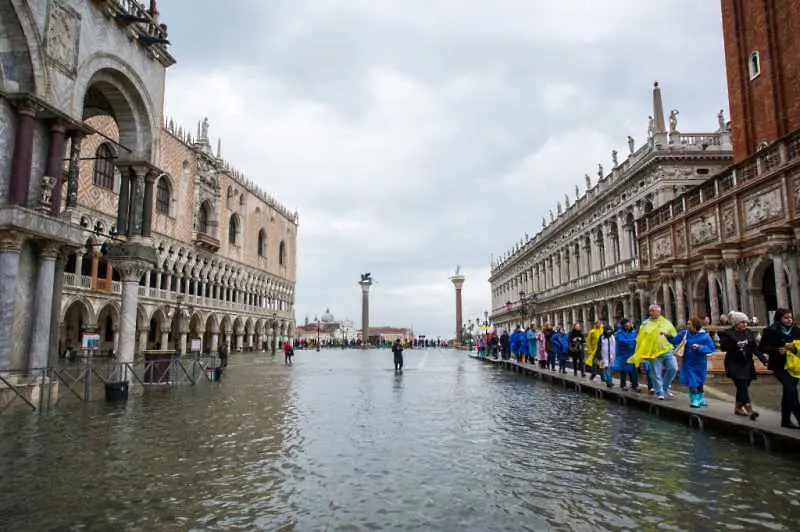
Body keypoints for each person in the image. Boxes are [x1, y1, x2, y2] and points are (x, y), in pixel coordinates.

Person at [719, 311, 767, 419]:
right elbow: (723, 346)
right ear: (736, 323)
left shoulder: (748, 333)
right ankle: (749, 408)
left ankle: (738, 407)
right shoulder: (727, 333)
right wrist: (735, 345)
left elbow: (754, 348)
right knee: (742, 384)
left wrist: (764, 359)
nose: (745, 324)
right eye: (742, 322)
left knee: (744, 385)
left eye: (746, 322)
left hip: (746, 363)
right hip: (734, 363)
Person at [758, 308, 800, 429]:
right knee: (791, 391)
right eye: (786, 317)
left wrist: (794, 349)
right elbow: (762, 347)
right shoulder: (770, 331)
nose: (789, 320)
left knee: (789, 392)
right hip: (779, 365)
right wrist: (776, 350)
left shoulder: (797, 330)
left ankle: (785, 420)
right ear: (779, 318)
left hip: (795, 366)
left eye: (790, 317)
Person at [628, 304, 678, 400]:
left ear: (659, 312)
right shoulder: (645, 324)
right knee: (655, 373)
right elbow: (640, 339)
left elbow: (673, 334)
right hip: (653, 352)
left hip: (667, 349)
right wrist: (641, 352)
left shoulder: (666, 322)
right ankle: (659, 392)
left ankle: (666, 387)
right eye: (650, 310)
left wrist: (673, 343)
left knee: (673, 368)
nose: (651, 312)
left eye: (653, 310)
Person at [669, 317, 716, 408]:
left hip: (700, 362)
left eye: (689, 324)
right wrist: (668, 336)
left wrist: (700, 348)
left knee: (700, 381)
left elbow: (711, 348)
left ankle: (701, 399)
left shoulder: (705, 336)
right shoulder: (684, 333)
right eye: (688, 323)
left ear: (695, 325)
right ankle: (694, 399)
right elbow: (675, 340)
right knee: (692, 381)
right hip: (688, 362)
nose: (688, 325)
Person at [614, 319, 638, 391]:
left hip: (632, 354)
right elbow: (622, 341)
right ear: (623, 326)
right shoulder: (619, 333)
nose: (628, 326)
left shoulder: (633, 332)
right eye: (626, 325)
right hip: (623, 354)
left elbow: (637, 340)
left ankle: (634, 385)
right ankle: (623, 385)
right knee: (623, 370)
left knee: (634, 370)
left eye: (628, 325)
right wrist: (633, 341)